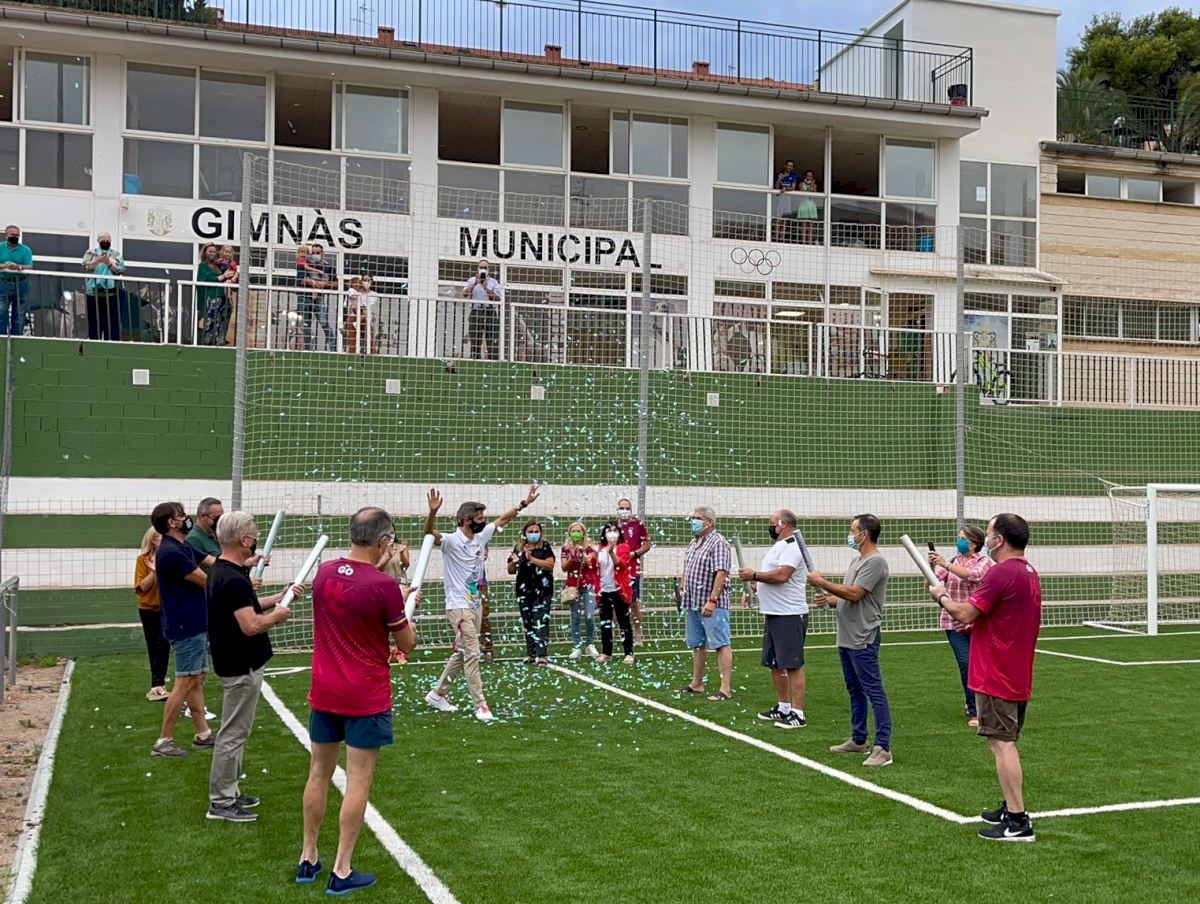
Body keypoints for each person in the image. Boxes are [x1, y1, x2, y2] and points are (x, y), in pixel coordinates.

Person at [298, 507, 419, 893]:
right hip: (365, 695)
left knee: (318, 772)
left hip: (325, 689)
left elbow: (355, 589)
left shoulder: (325, 572)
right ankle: (342, 868)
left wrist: (388, 586)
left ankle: (308, 856)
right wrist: (402, 605)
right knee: (358, 781)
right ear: (383, 541)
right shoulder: (383, 588)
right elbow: (407, 643)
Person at [926, 514, 1042, 842]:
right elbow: (1002, 616)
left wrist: (941, 596)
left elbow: (964, 611)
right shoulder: (1028, 572)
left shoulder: (1001, 572)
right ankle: (1009, 807)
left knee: (1001, 743)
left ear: (999, 540)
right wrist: (976, 624)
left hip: (997, 672)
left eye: (989, 533)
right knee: (1003, 741)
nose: (986, 538)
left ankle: (1017, 820)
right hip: (1015, 670)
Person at [205, 511, 302, 823]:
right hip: (239, 664)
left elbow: (246, 607)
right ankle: (221, 801)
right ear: (244, 539)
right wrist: (278, 616)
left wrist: (280, 598)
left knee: (237, 731)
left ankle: (230, 791)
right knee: (233, 733)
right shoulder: (232, 578)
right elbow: (250, 625)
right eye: (254, 535)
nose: (256, 540)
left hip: (237, 661)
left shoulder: (226, 571)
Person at [423, 484, 539, 722]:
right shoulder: (451, 541)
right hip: (458, 606)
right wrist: (432, 512)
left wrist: (524, 503)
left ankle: (437, 694)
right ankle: (481, 705)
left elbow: (503, 519)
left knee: (463, 652)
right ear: (466, 520)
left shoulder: (481, 535)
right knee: (473, 653)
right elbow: (429, 533)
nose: (483, 521)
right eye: (479, 518)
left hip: (475, 604)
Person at [807, 514, 893, 767]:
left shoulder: (876, 562)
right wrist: (829, 599)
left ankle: (883, 747)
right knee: (855, 690)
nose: (850, 534)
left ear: (864, 534)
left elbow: (855, 594)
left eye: (852, 530)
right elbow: (847, 597)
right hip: (847, 636)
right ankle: (858, 739)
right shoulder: (858, 560)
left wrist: (822, 582)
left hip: (863, 636)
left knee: (874, 691)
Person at [149, 501, 213, 758]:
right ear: (171, 523)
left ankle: (203, 734)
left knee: (195, 679)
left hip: (195, 622)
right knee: (184, 682)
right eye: (181, 515)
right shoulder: (171, 553)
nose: (186, 518)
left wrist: (245, 561)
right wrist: (240, 584)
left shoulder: (182, 546)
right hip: (185, 625)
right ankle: (163, 741)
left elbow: (214, 562)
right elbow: (206, 580)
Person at [737, 509, 808, 729]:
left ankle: (798, 712)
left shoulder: (793, 546)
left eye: (772, 523)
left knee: (792, 664)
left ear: (783, 524)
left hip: (789, 613)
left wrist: (754, 575)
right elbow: (771, 573)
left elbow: (782, 575)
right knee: (775, 663)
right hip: (774, 612)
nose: (770, 526)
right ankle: (783, 706)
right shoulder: (779, 546)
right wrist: (755, 587)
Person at [927, 524, 992, 727]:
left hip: (977, 621)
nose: (959, 541)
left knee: (981, 665)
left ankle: (979, 703)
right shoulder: (953, 561)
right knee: (966, 663)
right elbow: (931, 584)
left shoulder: (983, 562)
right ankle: (974, 709)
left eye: (963, 538)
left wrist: (944, 564)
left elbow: (973, 575)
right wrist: (930, 567)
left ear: (974, 544)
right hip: (953, 622)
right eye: (959, 537)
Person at [677, 506, 733, 700]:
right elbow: (688, 569)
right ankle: (697, 683)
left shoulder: (718, 542)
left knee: (721, 643)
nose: (694, 521)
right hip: (693, 602)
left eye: (698, 518)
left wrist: (712, 600)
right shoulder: (694, 543)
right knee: (697, 644)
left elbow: (721, 572)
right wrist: (682, 588)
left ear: (709, 522)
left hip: (712, 604)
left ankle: (725, 689)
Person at [507, 520, 555, 666]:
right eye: (530, 532)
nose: (534, 534)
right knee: (528, 622)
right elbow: (510, 570)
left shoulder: (545, 546)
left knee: (541, 621)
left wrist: (532, 559)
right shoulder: (518, 548)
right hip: (524, 591)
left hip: (542, 591)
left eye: (536, 531)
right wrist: (514, 562)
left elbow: (550, 565)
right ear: (525, 533)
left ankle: (542, 654)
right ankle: (531, 654)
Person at [133, 527, 170, 702]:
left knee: (164, 643)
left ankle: (159, 683)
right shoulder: (143, 560)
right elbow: (141, 588)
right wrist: (154, 571)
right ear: (154, 540)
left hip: (167, 608)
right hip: (148, 608)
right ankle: (157, 685)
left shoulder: (169, 559)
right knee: (153, 646)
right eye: (163, 537)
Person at [595, 519, 634, 664]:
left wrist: (612, 553)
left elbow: (622, 565)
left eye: (615, 530)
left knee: (624, 621)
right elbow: (595, 567)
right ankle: (607, 652)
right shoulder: (599, 549)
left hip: (619, 589)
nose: (612, 533)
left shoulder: (623, 547)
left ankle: (628, 652)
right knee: (605, 622)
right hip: (604, 589)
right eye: (609, 530)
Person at [560, 521, 600, 660]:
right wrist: (571, 559)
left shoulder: (589, 547)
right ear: (569, 533)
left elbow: (591, 563)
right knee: (575, 617)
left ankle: (590, 644)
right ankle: (577, 646)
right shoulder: (566, 548)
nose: (576, 533)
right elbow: (564, 568)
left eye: (578, 531)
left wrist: (584, 557)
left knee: (589, 616)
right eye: (573, 531)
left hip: (588, 585)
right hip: (573, 586)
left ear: (583, 533)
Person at [617, 498, 652, 645]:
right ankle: (614, 634)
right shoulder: (612, 526)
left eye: (627, 508)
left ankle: (638, 633)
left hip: (632, 571)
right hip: (615, 570)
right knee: (614, 602)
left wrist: (635, 553)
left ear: (631, 510)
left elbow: (647, 544)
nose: (624, 511)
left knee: (633, 603)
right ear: (617, 510)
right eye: (622, 508)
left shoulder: (638, 525)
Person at [82, 232, 126, 341]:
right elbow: (87, 267)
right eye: (103, 239)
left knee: (112, 324)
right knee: (94, 322)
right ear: (98, 241)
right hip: (94, 292)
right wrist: (99, 260)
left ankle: (111, 344)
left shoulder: (116, 254)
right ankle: (94, 344)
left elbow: (120, 270)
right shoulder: (91, 253)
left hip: (113, 293)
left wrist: (108, 263)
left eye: (107, 240)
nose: (105, 241)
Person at [298, 242, 336, 351]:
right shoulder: (305, 264)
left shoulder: (328, 267)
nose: (315, 255)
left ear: (323, 253)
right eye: (313, 253)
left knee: (324, 323)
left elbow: (336, 284)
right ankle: (308, 350)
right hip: (305, 297)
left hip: (320, 298)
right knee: (306, 325)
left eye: (318, 253)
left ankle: (333, 349)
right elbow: (300, 281)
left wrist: (323, 285)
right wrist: (313, 283)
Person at [463, 258, 502, 360]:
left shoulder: (493, 282)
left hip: (489, 311)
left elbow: (498, 298)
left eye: (485, 267)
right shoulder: (472, 280)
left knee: (491, 337)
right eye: (481, 267)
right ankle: (475, 359)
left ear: (489, 269)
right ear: (478, 268)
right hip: (476, 311)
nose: (483, 269)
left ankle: (492, 360)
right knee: (475, 337)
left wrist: (486, 289)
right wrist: (476, 283)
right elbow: (465, 294)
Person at [0, 224, 32, 336]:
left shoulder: (25, 250)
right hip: (2, 283)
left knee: (19, 314)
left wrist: (18, 267)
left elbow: (29, 266)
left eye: (17, 235)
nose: (15, 237)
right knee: (1, 312)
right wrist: (5, 266)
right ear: (6, 235)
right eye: (12, 234)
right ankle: (2, 338)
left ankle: (16, 339)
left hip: (21, 284)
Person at [197, 243, 229, 346]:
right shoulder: (202, 266)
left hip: (222, 297)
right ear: (205, 253)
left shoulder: (217, 266)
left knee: (222, 321)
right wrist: (222, 277)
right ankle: (207, 343)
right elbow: (204, 280)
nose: (212, 253)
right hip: (211, 298)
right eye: (210, 251)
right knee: (210, 322)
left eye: (214, 252)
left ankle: (220, 342)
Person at [344, 273, 379, 354]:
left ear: (372, 281)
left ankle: (372, 355)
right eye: (364, 280)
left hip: (366, 319)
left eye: (368, 280)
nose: (366, 282)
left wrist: (360, 306)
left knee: (370, 342)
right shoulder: (354, 291)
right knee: (352, 343)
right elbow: (348, 304)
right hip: (354, 316)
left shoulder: (374, 294)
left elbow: (369, 307)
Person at [186, 497, 223, 572]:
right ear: (203, 516)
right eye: (217, 517)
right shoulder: (194, 539)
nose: (220, 521)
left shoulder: (212, 534)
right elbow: (192, 570)